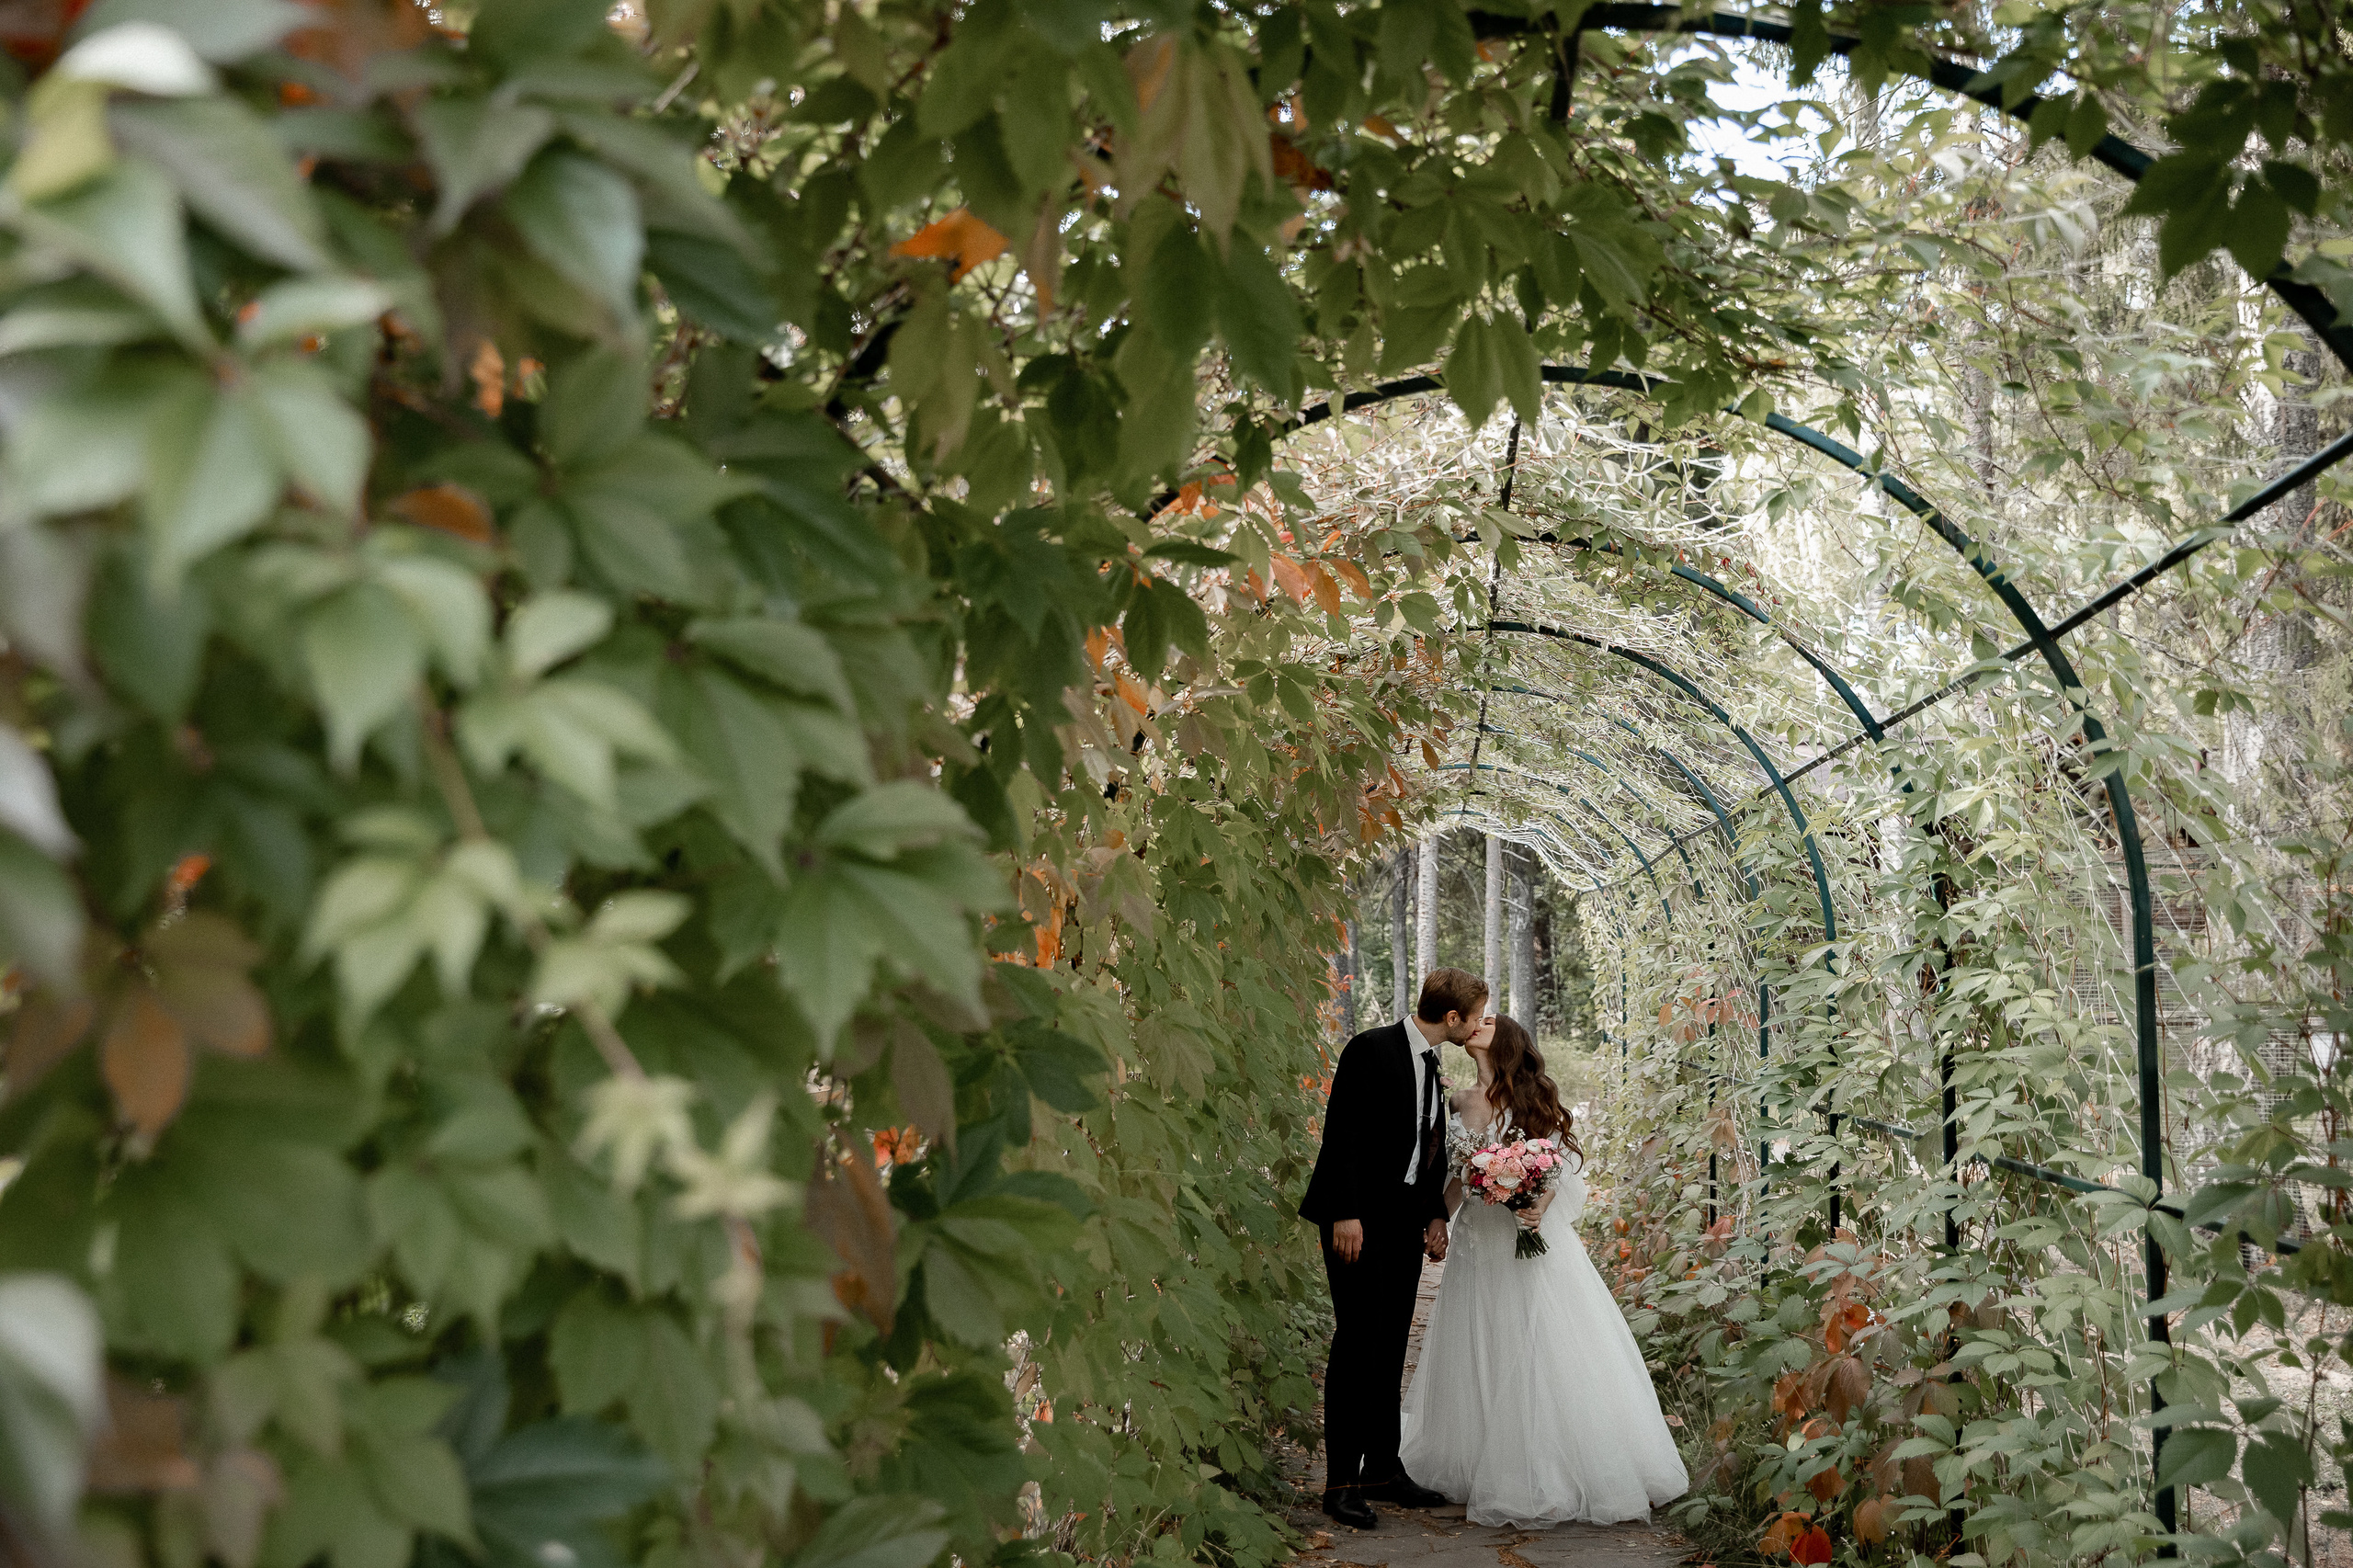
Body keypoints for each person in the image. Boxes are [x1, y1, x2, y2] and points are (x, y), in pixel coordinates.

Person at [1399, 1014, 1689, 1526]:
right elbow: (1458, 1175)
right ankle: (1480, 1459)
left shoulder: (1534, 1096)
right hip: (1478, 1239)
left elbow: (1552, 1166)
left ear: (1507, 1039)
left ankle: (1545, 1466)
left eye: (1487, 1021)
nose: (1475, 1025)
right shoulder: (1461, 1101)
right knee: (1481, 1337)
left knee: (1536, 1339)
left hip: (1528, 1234)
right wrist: (1438, 1219)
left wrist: (1537, 1204)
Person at [1297, 967, 1488, 1529]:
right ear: (1451, 1018)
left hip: (1404, 1225)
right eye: (1474, 1017)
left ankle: (1382, 1468)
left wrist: (1434, 1214)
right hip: (1357, 1222)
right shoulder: (1371, 1048)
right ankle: (1341, 1484)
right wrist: (1344, 1212)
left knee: (1389, 1345)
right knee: (1357, 1344)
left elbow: (1428, 1148)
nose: (1478, 1025)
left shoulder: (1431, 1065)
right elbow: (1344, 1135)